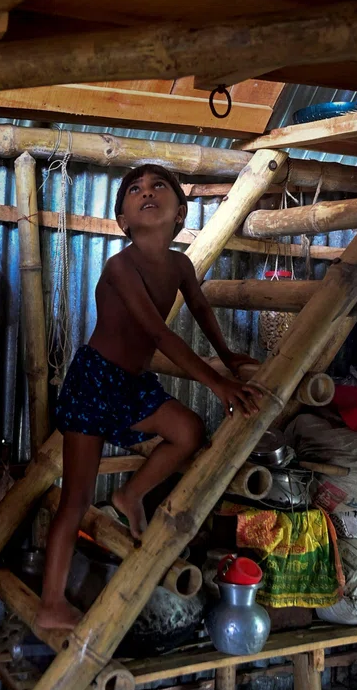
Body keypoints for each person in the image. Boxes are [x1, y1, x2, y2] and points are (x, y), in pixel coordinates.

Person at [39, 162, 264, 629]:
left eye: (159, 186)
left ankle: (131, 494)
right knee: (76, 499)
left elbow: (200, 309)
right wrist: (217, 381)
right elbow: (160, 334)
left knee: (188, 430)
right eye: (135, 190)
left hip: (133, 384)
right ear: (123, 220)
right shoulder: (120, 266)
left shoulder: (181, 264)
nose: (147, 192)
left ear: (180, 212)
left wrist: (229, 355)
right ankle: (51, 602)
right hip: (95, 381)